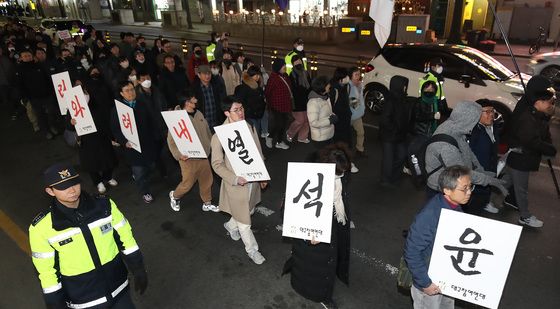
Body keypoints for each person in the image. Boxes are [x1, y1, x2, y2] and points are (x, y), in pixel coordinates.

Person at [29, 163, 147, 309]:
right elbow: (46, 271)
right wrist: (55, 303)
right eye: (63, 187)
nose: (72, 190)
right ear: (50, 191)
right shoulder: (41, 228)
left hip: (120, 289)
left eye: (73, 183)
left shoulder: (105, 206)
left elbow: (127, 239)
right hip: (84, 301)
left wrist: (138, 268)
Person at [282, 143, 352, 309]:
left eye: (343, 172)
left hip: (332, 226)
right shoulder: (307, 179)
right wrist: (307, 236)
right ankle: (321, 296)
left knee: (327, 261)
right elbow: (291, 210)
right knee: (316, 268)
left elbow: (340, 198)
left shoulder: (337, 176)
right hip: (312, 235)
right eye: (339, 173)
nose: (342, 176)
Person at [404, 165, 472, 309]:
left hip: (445, 276)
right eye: (464, 188)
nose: (469, 192)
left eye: (470, 187)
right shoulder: (430, 215)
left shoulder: (455, 206)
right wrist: (425, 283)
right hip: (429, 280)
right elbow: (412, 251)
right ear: (447, 190)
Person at [211, 96, 268, 265]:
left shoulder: (249, 126)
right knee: (245, 223)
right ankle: (252, 250)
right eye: (236, 110)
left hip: (253, 180)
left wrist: (263, 175)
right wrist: (234, 178)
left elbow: (258, 151)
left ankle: (230, 226)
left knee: (248, 210)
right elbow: (217, 164)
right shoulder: (219, 136)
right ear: (227, 112)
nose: (241, 112)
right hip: (236, 185)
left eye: (242, 108)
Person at [424, 101, 508, 200]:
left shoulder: (456, 127)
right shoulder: (446, 147)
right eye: (475, 120)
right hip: (441, 190)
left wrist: (481, 171)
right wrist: (488, 180)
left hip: (453, 183)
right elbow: (461, 174)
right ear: (469, 120)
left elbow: (467, 151)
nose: (476, 124)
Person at [505, 75, 557, 228]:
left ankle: (489, 197)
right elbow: (529, 138)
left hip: (520, 157)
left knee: (505, 181)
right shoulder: (526, 112)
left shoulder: (533, 107)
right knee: (520, 189)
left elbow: (540, 129)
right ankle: (525, 216)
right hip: (521, 156)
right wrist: (547, 147)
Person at [168, 89, 218, 213]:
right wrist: (179, 155)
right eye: (193, 98)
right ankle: (175, 196)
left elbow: (207, 131)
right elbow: (171, 141)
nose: (196, 99)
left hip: (204, 155)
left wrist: (213, 145)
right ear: (187, 102)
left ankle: (207, 202)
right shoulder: (177, 118)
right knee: (187, 184)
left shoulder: (198, 113)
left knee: (207, 180)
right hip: (188, 158)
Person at [111, 81, 160, 203]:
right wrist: (124, 141)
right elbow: (115, 129)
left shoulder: (142, 104)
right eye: (127, 90)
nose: (131, 92)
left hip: (147, 143)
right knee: (139, 171)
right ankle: (145, 192)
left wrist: (155, 136)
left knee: (151, 165)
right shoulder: (117, 110)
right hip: (131, 146)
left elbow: (152, 121)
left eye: (132, 89)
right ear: (121, 93)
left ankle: (142, 177)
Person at [71, 78, 118, 194]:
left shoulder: (96, 102)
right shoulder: (72, 106)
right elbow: (68, 125)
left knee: (108, 158)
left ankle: (108, 177)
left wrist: (111, 135)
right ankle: (98, 182)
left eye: (82, 87)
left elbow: (106, 118)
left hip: (101, 136)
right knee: (92, 162)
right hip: (86, 139)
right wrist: (71, 122)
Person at [466, 99, 509, 215]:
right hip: (476, 176)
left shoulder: (493, 127)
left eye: (492, 111)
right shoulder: (472, 132)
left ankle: (484, 203)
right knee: (472, 207)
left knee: (483, 196)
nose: (491, 115)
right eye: (487, 112)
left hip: (488, 170)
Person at [15, 49, 59, 139]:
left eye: (29, 55)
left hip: (47, 95)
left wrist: (51, 91)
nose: (27, 57)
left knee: (51, 112)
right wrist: (24, 97)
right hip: (33, 97)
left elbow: (47, 79)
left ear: (32, 56)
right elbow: (20, 85)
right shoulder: (19, 69)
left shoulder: (39, 65)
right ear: (21, 58)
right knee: (40, 115)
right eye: (25, 56)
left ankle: (52, 126)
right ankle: (46, 131)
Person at [379, 75, 412, 186]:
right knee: (388, 159)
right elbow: (385, 120)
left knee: (402, 155)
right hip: (389, 135)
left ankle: (395, 175)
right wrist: (395, 129)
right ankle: (386, 180)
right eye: (404, 86)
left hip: (400, 135)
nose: (405, 88)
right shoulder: (390, 100)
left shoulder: (402, 98)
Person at [264, 59, 292, 150]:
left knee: (284, 124)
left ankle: (279, 142)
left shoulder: (285, 76)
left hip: (285, 105)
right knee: (278, 124)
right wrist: (270, 104)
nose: (285, 67)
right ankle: (270, 137)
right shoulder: (273, 78)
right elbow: (267, 92)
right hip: (276, 106)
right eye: (282, 66)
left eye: (285, 65)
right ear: (277, 67)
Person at [234, 65, 266, 136]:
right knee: (254, 135)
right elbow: (239, 102)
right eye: (256, 75)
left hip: (258, 114)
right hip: (250, 116)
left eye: (258, 75)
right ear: (251, 75)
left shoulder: (257, 85)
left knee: (256, 134)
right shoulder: (244, 87)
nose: (258, 77)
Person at [192, 64, 226, 131]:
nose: (207, 76)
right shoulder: (194, 89)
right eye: (204, 74)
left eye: (209, 73)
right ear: (199, 75)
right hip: (203, 123)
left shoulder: (216, 86)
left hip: (216, 121)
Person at [286, 54, 311, 144]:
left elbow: (309, 86)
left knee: (307, 121)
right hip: (297, 102)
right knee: (300, 120)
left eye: (299, 61)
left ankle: (302, 137)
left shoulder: (306, 73)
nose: (298, 63)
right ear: (293, 64)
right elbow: (293, 89)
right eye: (296, 62)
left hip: (306, 101)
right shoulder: (292, 75)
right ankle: (290, 133)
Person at [307, 75, 336, 149]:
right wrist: (329, 120)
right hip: (320, 138)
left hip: (328, 135)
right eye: (328, 84)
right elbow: (313, 122)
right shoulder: (313, 102)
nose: (330, 85)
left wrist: (333, 116)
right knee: (322, 158)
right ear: (322, 86)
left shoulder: (325, 97)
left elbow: (326, 113)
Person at [348, 67, 366, 157]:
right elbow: (354, 104)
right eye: (356, 75)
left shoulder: (358, 85)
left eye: (359, 74)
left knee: (361, 132)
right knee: (347, 135)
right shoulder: (349, 87)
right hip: (350, 115)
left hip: (357, 115)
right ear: (350, 76)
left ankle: (360, 149)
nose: (358, 77)